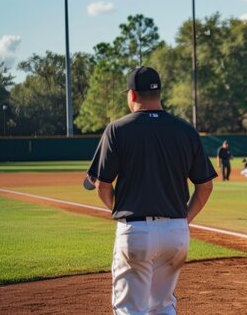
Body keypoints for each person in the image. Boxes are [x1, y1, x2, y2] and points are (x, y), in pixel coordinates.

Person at [85, 66, 217, 314]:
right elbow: (206, 185)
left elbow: (102, 184)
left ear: (132, 95)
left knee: (129, 309)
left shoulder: (117, 129)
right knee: (163, 306)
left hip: (135, 231)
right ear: (159, 93)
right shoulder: (186, 130)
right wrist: (183, 220)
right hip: (176, 232)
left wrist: (118, 207)